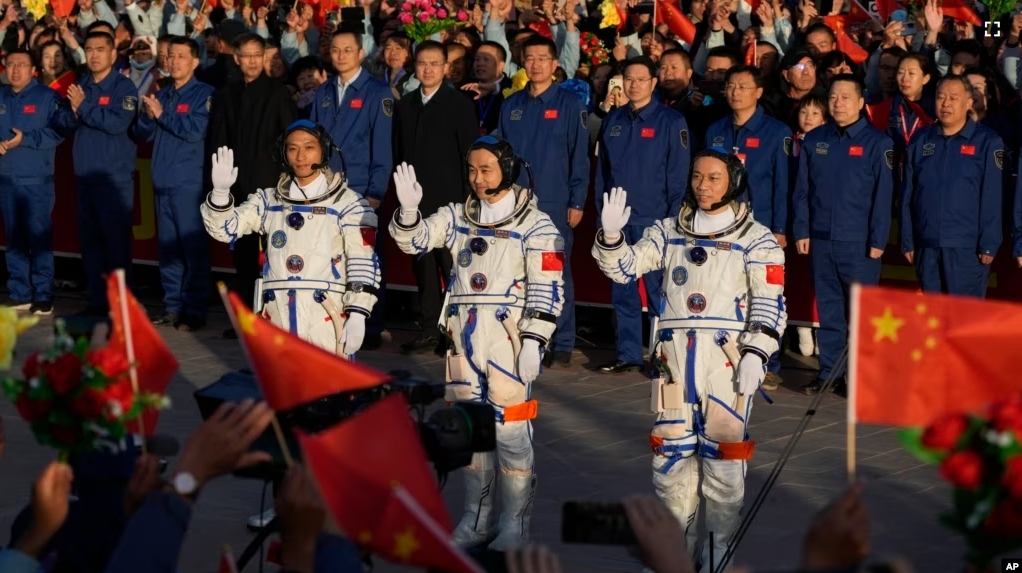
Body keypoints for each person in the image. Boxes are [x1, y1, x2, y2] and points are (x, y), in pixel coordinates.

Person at [591, 148, 786, 571]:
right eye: (697, 177)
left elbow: (771, 303)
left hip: (727, 366)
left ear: (733, 181)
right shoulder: (668, 230)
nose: (703, 186)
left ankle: (717, 553)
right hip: (675, 364)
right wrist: (611, 237)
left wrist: (757, 351)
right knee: (670, 462)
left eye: (714, 178)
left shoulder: (757, 239)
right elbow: (625, 268)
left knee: (724, 468)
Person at [388, 136, 564, 551]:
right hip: (463, 336)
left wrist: (534, 340)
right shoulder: (457, 215)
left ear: (508, 169)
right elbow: (413, 241)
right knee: (468, 431)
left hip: (508, 338)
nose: (478, 178)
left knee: (511, 433)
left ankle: (513, 524)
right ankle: (476, 519)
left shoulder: (536, 225)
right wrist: (410, 212)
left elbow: (548, 285)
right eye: (472, 170)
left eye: (486, 169)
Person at [201, 120, 380, 355]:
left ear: (324, 150)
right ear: (283, 154)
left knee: (330, 390)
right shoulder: (269, 201)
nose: (300, 156)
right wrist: (221, 196)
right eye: (292, 148)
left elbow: (362, 260)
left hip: (326, 319)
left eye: (309, 147)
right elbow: (225, 230)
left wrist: (358, 312)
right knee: (281, 390)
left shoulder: (348, 204)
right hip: (278, 317)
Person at [793, 75, 894, 396]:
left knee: (862, 314)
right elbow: (802, 191)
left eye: (846, 97)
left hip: (860, 243)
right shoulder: (814, 140)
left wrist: (878, 240)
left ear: (862, 103)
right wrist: (802, 229)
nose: (838, 103)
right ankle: (830, 373)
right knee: (830, 310)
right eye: (834, 97)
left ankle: (860, 376)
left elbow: (883, 198)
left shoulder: (878, 144)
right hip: (821, 239)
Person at [493, 34, 588, 368]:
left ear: (554, 64)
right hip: (514, 207)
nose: (535, 64)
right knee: (517, 273)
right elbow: (500, 157)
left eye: (542, 59)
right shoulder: (511, 105)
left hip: (554, 204)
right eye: (529, 58)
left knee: (556, 274)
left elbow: (580, 157)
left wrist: (577, 201)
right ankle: (529, 337)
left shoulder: (570, 104)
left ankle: (562, 341)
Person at [593, 56, 690, 374]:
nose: (633, 85)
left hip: (655, 221)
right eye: (628, 79)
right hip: (618, 221)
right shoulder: (614, 120)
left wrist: (674, 221)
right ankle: (629, 353)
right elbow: (603, 173)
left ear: (653, 82)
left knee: (659, 293)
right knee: (622, 289)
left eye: (640, 79)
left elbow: (678, 175)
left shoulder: (671, 121)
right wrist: (601, 215)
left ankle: (664, 356)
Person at [393, 40, 479, 355]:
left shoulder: (459, 104)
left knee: (454, 268)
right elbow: (399, 152)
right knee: (424, 269)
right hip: (415, 202)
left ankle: (456, 332)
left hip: (451, 202)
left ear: (445, 68)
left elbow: (469, 155)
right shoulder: (406, 104)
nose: (428, 69)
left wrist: (468, 201)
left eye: (434, 64)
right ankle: (430, 330)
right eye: (422, 64)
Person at [53, 31, 140, 316]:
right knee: (90, 245)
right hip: (85, 178)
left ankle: (120, 305)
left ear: (113, 54)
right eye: (88, 49)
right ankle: (96, 302)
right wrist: (77, 109)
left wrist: (83, 107)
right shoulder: (81, 85)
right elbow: (63, 120)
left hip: (114, 179)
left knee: (115, 246)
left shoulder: (124, 88)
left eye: (100, 49)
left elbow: (116, 123)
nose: (93, 54)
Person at [135, 36, 216, 331]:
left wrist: (162, 114)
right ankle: (172, 306)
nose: (173, 61)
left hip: (188, 183)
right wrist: (148, 114)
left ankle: (194, 309)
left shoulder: (205, 94)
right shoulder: (164, 94)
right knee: (167, 250)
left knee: (192, 250)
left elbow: (196, 131)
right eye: (169, 56)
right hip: (162, 182)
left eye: (180, 56)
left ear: (195, 61)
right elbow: (143, 134)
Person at [900, 75, 1004, 298]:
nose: (945, 104)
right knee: (934, 321)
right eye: (940, 97)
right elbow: (908, 193)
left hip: (967, 249)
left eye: (953, 98)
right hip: (926, 245)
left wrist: (989, 243)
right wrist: (907, 239)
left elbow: (992, 196)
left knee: (964, 322)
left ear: (969, 103)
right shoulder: (921, 140)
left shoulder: (987, 142)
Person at [0, 49, 63, 315]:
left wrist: (24, 139)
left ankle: (43, 294)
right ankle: (20, 292)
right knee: (13, 238)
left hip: (37, 180)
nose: (15, 70)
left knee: (38, 239)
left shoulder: (47, 97)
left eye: (22, 65)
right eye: (10, 64)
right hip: (6, 179)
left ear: (33, 69)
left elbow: (58, 132)